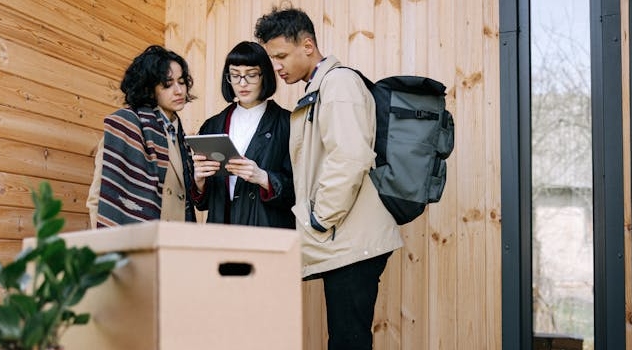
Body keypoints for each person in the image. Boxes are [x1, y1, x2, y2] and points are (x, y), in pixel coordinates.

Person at [254, 7, 403, 350]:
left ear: (307, 45)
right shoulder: (322, 87)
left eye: (280, 56)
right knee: (346, 338)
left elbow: (350, 157)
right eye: (271, 58)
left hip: (351, 240)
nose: (276, 67)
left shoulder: (338, 84)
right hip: (346, 239)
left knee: (348, 341)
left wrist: (320, 218)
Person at [87, 45, 197, 228]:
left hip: (177, 242)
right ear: (149, 88)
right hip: (138, 242)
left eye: (182, 81)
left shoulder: (181, 137)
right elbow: (98, 198)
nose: (179, 91)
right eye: (168, 84)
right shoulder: (127, 126)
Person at [190, 41, 294, 228]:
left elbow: (302, 191)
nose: (242, 83)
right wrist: (199, 181)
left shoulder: (289, 124)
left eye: (251, 75)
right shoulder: (212, 126)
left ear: (265, 76)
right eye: (235, 76)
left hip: (268, 233)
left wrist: (263, 177)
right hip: (221, 232)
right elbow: (202, 203)